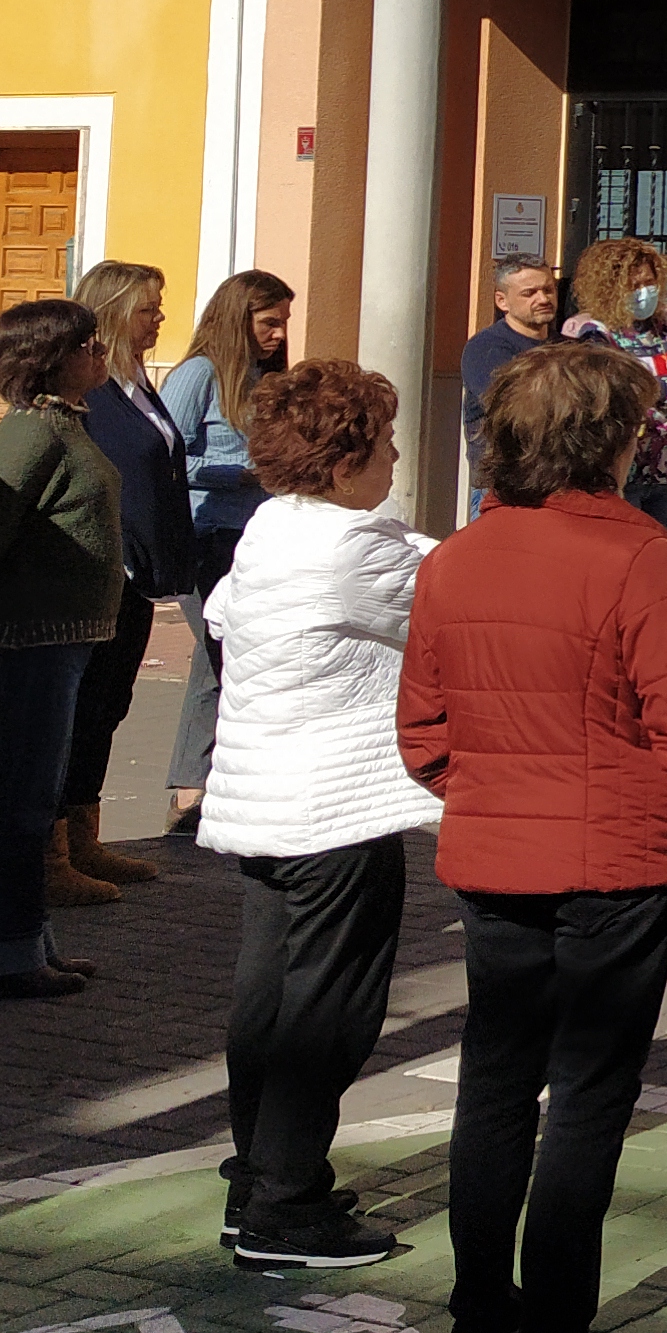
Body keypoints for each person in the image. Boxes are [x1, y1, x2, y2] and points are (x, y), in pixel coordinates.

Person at [401, 342, 667, 1333]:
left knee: (496, 1086)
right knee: (587, 1100)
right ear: (610, 441)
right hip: (612, 860)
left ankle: (479, 1326)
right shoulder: (635, 556)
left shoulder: (455, 558)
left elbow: (425, 736)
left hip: (505, 859)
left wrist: (499, 796)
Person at [202, 359, 440, 1271]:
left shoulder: (271, 528)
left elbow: (225, 614)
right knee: (326, 1013)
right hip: (334, 812)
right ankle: (287, 1207)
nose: (392, 463)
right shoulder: (353, 547)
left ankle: (257, 1182)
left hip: (265, 801)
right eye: (381, 446)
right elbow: (443, 596)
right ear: (342, 464)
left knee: (266, 1001)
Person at [0, 299, 122, 1001]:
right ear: (50, 356)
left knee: (31, 803)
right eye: (84, 342)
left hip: (58, 646)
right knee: (12, 802)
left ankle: (25, 947)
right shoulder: (31, 432)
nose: (100, 350)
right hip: (26, 644)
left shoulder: (64, 424)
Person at [65, 259, 192, 904]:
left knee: (109, 708)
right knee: (83, 709)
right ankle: (54, 852)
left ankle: (84, 839)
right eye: (150, 307)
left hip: (138, 578)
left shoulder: (137, 382)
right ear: (115, 311)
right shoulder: (89, 390)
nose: (160, 318)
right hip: (101, 576)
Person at [162, 267, 295, 837]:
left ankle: (191, 787)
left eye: (285, 323)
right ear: (237, 318)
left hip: (256, 539)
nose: (279, 335)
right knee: (227, 655)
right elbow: (161, 459)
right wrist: (235, 475)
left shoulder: (265, 377)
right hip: (207, 537)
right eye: (269, 322)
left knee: (215, 663)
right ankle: (209, 788)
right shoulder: (198, 374)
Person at [560, 237, 667, 549]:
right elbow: (614, 397)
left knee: (664, 558)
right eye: (634, 285)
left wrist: (655, 388)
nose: (644, 291)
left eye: (650, 282)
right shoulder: (593, 332)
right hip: (620, 473)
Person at [462, 259, 562, 507]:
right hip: (504, 489)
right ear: (501, 301)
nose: (543, 299)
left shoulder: (569, 348)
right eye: (529, 293)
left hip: (559, 485)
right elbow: (517, 407)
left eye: (548, 289)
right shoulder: (485, 349)